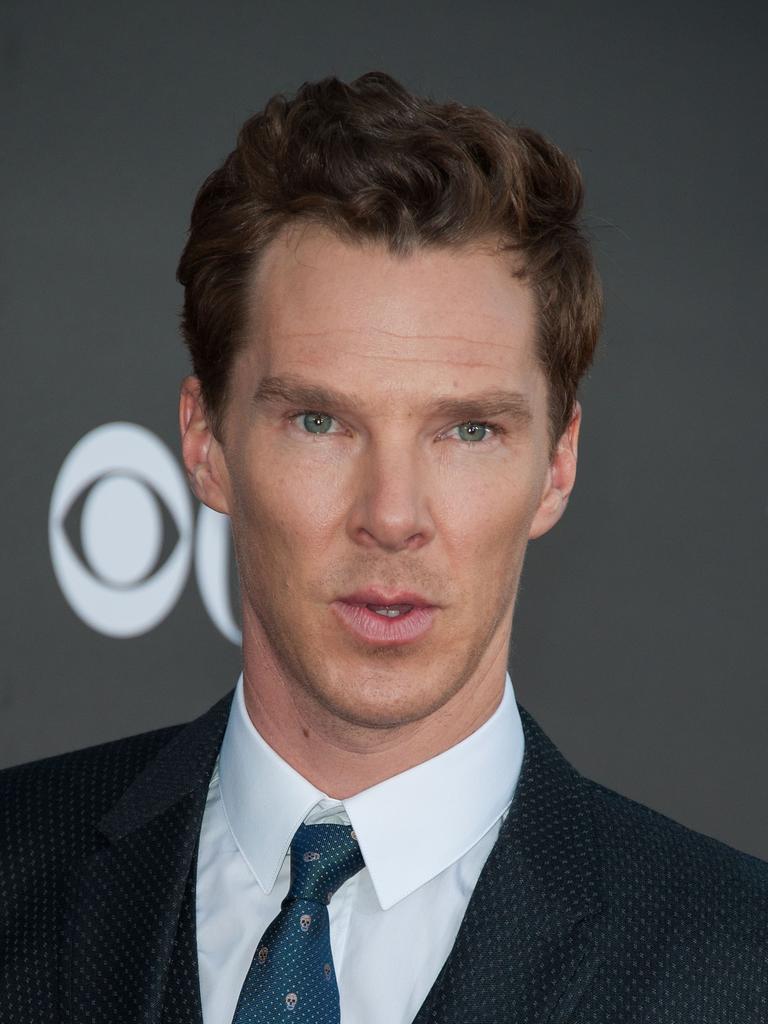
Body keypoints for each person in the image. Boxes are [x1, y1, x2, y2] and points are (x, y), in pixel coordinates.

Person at [1, 71, 766, 1024]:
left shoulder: (739, 963)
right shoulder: (15, 869)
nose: (393, 515)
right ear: (207, 447)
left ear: (560, 463)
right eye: (320, 421)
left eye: (469, 431)